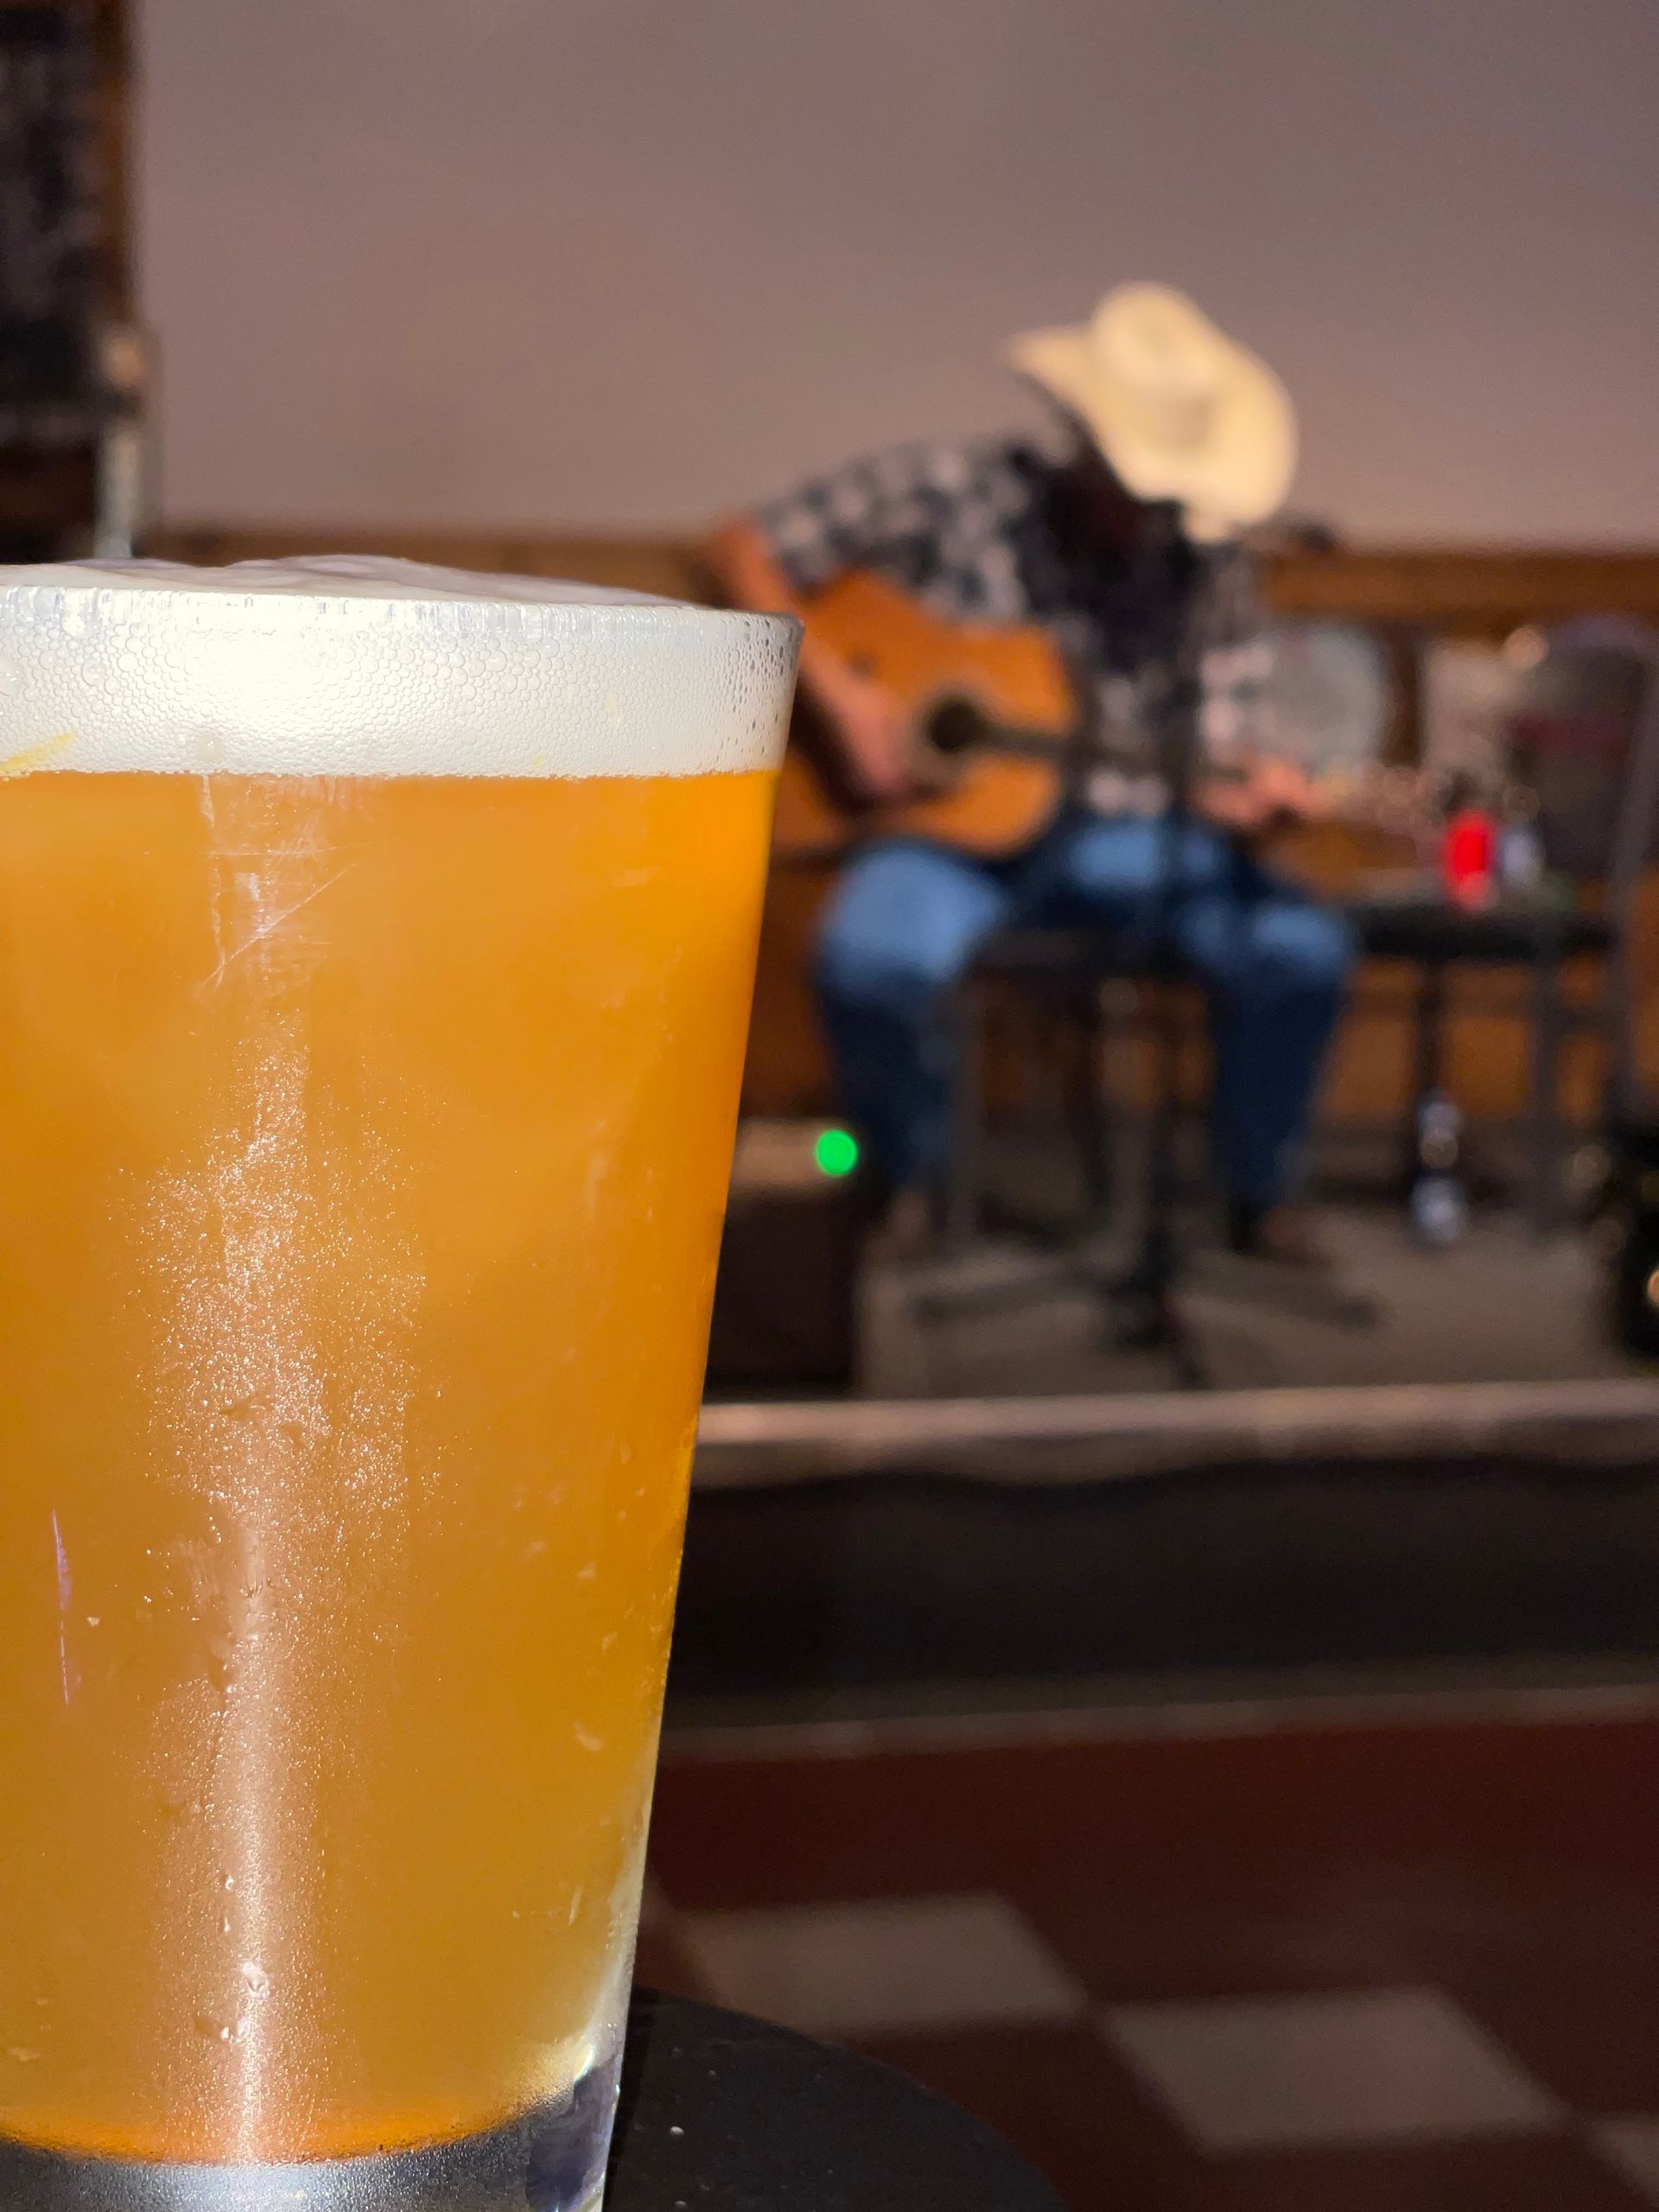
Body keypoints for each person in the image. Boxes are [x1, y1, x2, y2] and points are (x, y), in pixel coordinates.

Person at [704, 283, 1353, 1265]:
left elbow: (1217, 747)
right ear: (1083, 436)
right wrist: (838, 694)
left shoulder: (1209, 567)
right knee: (870, 960)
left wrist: (1251, 807)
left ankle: (1258, 1193)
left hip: (1130, 840)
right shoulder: (948, 490)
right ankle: (910, 1182)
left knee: (1299, 947)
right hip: (945, 839)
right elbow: (738, 547)